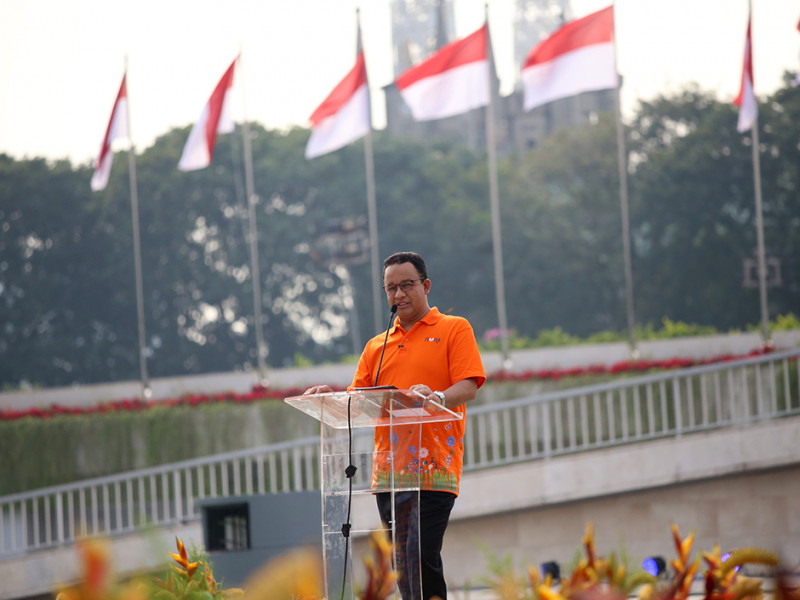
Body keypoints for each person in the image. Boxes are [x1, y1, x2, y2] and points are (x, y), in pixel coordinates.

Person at [304, 251, 486, 600]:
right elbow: (358, 400)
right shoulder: (377, 346)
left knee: (421, 557)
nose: (399, 294)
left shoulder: (454, 328)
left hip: (434, 469)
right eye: (391, 288)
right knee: (403, 564)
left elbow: (468, 386)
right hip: (389, 475)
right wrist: (330, 397)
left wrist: (435, 397)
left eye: (407, 285)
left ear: (426, 286)